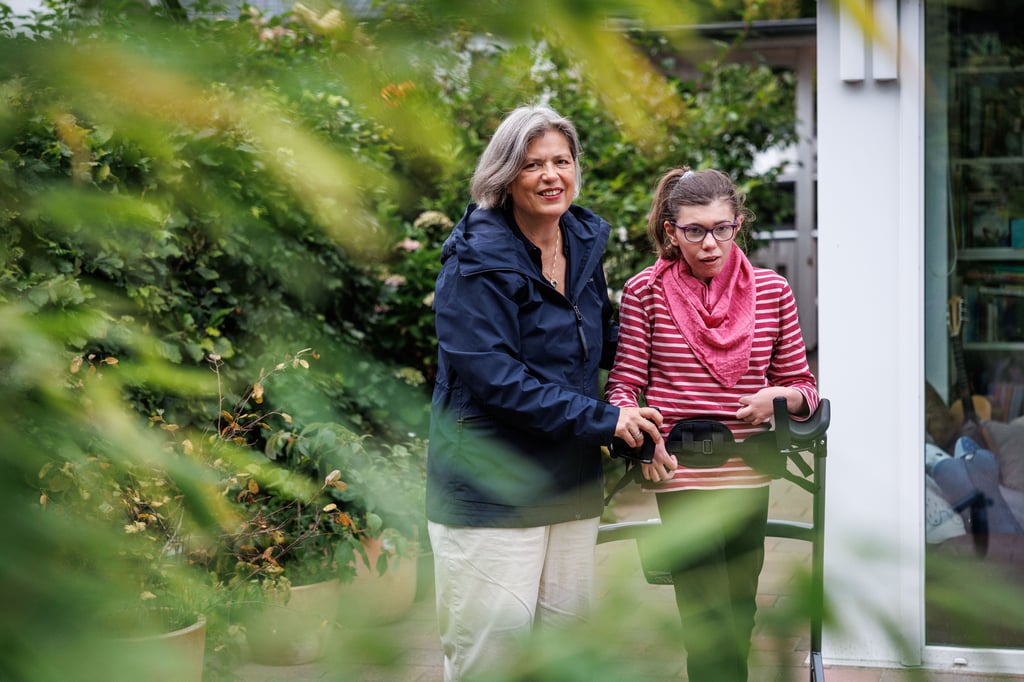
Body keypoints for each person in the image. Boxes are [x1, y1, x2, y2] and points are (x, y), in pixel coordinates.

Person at [426, 104, 663, 681]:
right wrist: (606, 420)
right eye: (533, 164)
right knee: (492, 660)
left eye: (562, 160)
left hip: (569, 483)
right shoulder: (475, 261)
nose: (551, 175)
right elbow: (496, 380)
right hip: (493, 490)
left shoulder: (580, 244)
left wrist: (679, 353)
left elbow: (596, 340)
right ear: (506, 176)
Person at [605, 166, 819, 682]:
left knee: (739, 615)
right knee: (706, 621)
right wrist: (642, 439)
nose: (709, 243)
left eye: (722, 228)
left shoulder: (772, 291)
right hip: (681, 473)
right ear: (671, 230)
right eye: (695, 230)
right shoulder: (645, 292)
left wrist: (779, 397)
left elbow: (805, 389)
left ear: (738, 225)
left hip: (750, 473)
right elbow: (623, 388)